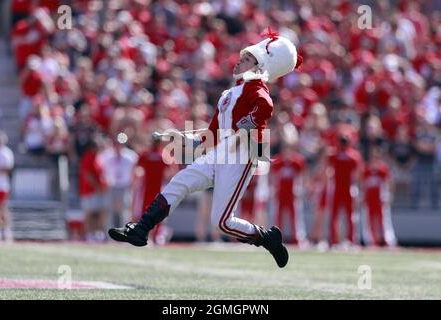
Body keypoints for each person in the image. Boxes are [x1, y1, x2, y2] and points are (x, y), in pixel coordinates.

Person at [109, 29, 303, 268]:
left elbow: (265, 106)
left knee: (221, 222)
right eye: (242, 57)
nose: (239, 60)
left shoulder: (255, 86)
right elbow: (211, 134)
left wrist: (247, 123)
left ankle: (266, 237)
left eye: (247, 59)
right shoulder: (229, 93)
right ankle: (140, 229)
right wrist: (183, 138)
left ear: (260, 65)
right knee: (179, 182)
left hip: (241, 155)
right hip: (219, 153)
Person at [327, 134, 363, 247]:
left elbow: (328, 170)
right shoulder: (354, 156)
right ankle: (351, 240)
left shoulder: (334, 155)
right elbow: (358, 173)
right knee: (350, 216)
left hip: (337, 188)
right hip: (349, 188)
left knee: (334, 216)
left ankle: (334, 241)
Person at [362, 147, 397, 247]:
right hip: (369, 199)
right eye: (373, 157)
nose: (374, 160)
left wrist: (389, 195)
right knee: (369, 220)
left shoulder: (383, 169)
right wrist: (361, 196)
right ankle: (370, 241)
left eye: (376, 157)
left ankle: (388, 240)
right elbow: (362, 183)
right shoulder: (366, 169)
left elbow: (389, 182)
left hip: (380, 199)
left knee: (384, 220)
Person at [0, 132, 15, 241]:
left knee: (2, 208)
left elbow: (8, 169)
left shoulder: (6, 152)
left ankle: (6, 229)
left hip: (1, 185)